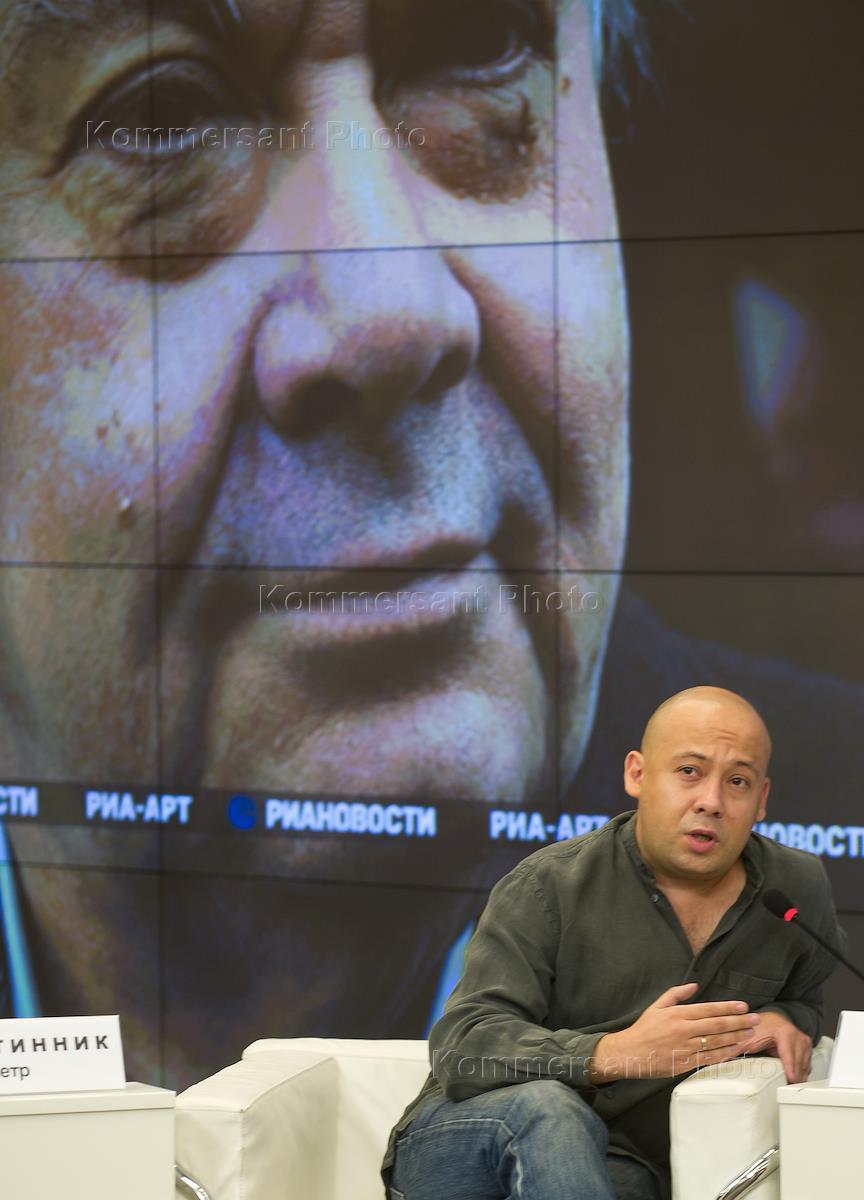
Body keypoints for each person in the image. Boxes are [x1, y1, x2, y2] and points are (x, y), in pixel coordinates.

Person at [385, 687, 844, 1200]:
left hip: (620, 1156)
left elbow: (806, 998)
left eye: (737, 781)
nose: (711, 802)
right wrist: (613, 1053)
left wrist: (785, 1017)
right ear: (637, 774)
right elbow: (463, 1046)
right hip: (467, 1137)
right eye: (689, 771)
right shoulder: (548, 885)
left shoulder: (795, 888)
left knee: (627, 1181)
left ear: (761, 800)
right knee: (550, 1110)